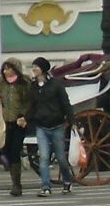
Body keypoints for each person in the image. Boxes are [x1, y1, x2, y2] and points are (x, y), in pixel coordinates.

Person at [26, 56, 74, 197]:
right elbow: (32, 106)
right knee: (44, 157)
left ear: (43, 69)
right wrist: (25, 118)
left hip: (57, 125)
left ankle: (66, 180)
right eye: (33, 66)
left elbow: (66, 103)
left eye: (37, 66)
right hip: (41, 126)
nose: (34, 69)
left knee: (60, 158)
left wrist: (72, 121)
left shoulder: (56, 85)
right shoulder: (33, 86)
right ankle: (46, 186)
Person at [0, 57, 31, 197]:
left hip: (20, 122)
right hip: (7, 121)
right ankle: (14, 180)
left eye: (8, 68)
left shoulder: (24, 84)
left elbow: (28, 102)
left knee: (15, 150)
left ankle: (17, 185)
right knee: (8, 151)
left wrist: (23, 116)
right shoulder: (2, 85)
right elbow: (1, 100)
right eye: (4, 69)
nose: (5, 71)